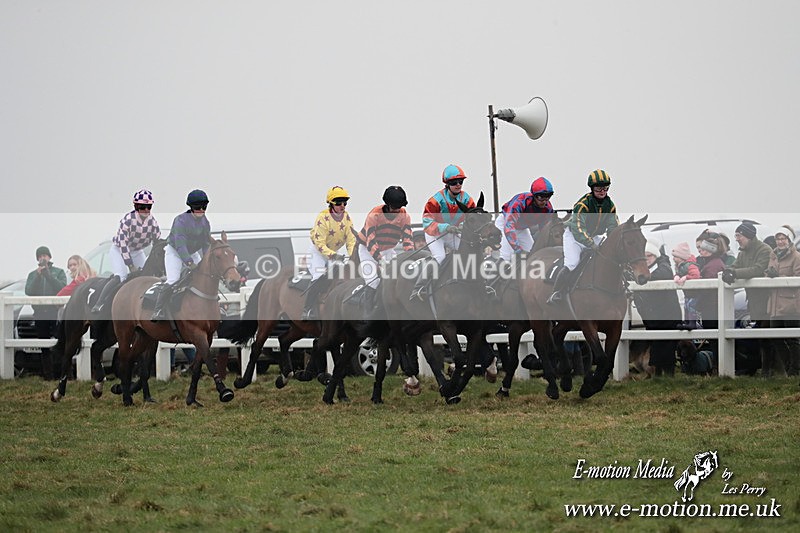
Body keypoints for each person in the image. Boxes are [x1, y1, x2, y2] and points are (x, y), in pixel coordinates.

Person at [548, 169, 619, 304]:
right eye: (599, 189)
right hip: (574, 237)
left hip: (594, 237)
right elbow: (579, 228)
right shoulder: (583, 205)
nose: (602, 192)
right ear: (592, 189)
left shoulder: (610, 206)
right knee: (572, 263)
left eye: (605, 188)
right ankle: (557, 292)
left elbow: (613, 228)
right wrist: (591, 244)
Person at [410, 164, 476, 300]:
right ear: (447, 184)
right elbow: (427, 222)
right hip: (434, 233)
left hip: (454, 232)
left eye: (461, 182)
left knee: (466, 254)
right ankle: (419, 287)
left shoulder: (467, 200)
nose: (458, 185)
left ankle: (479, 284)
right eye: (454, 182)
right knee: (440, 257)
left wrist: (462, 225)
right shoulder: (435, 200)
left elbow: (473, 218)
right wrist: (445, 227)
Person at [90, 189, 161, 313]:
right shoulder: (127, 220)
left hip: (137, 251)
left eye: (148, 207)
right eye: (142, 207)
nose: (145, 210)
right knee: (121, 276)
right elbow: (123, 245)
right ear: (136, 206)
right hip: (119, 250)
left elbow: (157, 242)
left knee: (148, 276)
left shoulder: (152, 222)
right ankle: (100, 303)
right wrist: (130, 265)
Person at [151, 189, 212, 322]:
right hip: (174, 252)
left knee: (205, 276)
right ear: (191, 207)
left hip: (192, 252)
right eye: (197, 207)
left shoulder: (205, 223)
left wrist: (206, 261)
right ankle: (158, 309)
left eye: (204, 207)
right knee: (173, 279)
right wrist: (190, 263)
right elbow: (180, 245)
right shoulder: (180, 221)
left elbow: (206, 244)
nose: (201, 210)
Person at [354, 185, 414, 311]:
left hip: (388, 250)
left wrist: (411, 256)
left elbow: (407, 239)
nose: (397, 210)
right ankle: (367, 311)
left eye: (400, 207)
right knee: (373, 281)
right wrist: (381, 261)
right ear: (387, 204)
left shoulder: (405, 216)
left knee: (396, 278)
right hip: (367, 249)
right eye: (394, 207)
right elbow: (371, 241)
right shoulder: (374, 215)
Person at [301, 185, 356, 321]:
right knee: (319, 275)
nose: (342, 206)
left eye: (345, 203)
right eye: (339, 203)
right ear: (331, 204)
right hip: (318, 253)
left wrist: (353, 255)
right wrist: (333, 255)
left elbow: (350, 240)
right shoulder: (323, 217)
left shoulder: (347, 218)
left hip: (333, 254)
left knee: (342, 276)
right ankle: (307, 309)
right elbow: (320, 244)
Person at [634, 241, 681, 376]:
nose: (647, 259)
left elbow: (662, 274)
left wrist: (644, 279)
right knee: (655, 345)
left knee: (667, 345)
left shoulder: (663, 267)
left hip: (667, 314)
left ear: (655, 256)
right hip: (653, 316)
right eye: (644, 256)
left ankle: (669, 374)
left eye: (649, 255)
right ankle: (657, 374)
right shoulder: (642, 269)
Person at [25, 246, 67, 379]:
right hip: (40, 313)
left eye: (45, 255)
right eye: (40, 256)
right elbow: (29, 291)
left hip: (55, 312)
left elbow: (61, 288)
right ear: (38, 258)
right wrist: (38, 276)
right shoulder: (33, 274)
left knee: (58, 342)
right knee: (43, 343)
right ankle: (48, 375)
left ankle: (60, 373)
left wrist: (48, 275)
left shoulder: (59, 272)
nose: (43, 258)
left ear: (50, 257)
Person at [764, 226, 800, 377]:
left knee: (792, 339)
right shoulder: (773, 256)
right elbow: (767, 273)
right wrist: (769, 274)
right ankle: (789, 367)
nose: (780, 242)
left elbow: (797, 278)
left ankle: (796, 370)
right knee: (775, 336)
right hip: (774, 303)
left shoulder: (796, 257)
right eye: (777, 239)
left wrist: (777, 277)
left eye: (783, 238)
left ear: (789, 240)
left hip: (791, 303)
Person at [495, 177, 555, 262]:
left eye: (548, 197)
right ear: (534, 196)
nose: (544, 201)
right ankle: (492, 274)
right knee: (507, 256)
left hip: (521, 229)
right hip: (505, 224)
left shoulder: (548, 209)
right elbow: (509, 227)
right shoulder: (520, 203)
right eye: (541, 197)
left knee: (532, 255)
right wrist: (518, 250)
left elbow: (545, 230)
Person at [672, 242, 701, 330]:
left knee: (691, 306)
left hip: (694, 293)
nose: (673, 259)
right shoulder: (680, 266)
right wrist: (676, 276)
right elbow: (678, 273)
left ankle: (692, 323)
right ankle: (687, 322)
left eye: (675, 257)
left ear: (682, 257)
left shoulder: (690, 265)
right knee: (686, 306)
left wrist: (686, 277)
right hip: (688, 293)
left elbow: (696, 275)